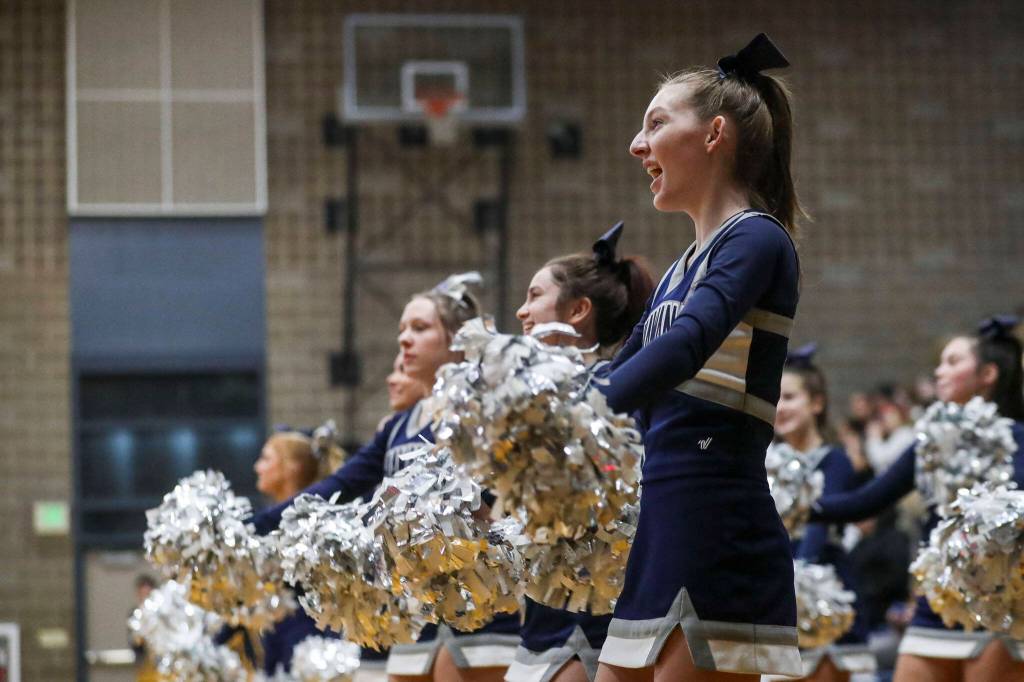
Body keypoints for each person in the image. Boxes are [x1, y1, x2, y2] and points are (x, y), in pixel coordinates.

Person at [593, 33, 805, 681]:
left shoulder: (757, 239)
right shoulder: (688, 263)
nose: (637, 144)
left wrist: (584, 408)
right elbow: (613, 370)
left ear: (714, 135)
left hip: (715, 521)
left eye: (656, 123)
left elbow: (687, 346)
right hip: (661, 520)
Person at [251, 274, 521, 682]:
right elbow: (335, 486)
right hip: (417, 609)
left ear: (456, 339)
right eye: (401, 331)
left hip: (477, 606)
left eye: (420, 328)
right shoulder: (398, 427)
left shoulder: (485, 408)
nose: (405, 340)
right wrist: (254, 525)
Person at [810, 316, 1024, 682]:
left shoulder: (1017, 437)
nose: (940, 372)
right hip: (936, 606)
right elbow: (865, 502)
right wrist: (794, 506)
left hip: (999, 609)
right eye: (940, 363)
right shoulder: (929, 441)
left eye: (953, 362)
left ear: (988, 374)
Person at [506, 224, 654, 682]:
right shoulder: (527, 398)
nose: (521, 310)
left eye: (535, 296)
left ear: (577, 310)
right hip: (542, 613)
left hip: (594, 614)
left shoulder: (615, 386)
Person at [773, 345, 874, 681]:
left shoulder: (835, 460)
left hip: (822, 585)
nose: (779, 407)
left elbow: (820, 525)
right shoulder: (764, 459)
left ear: (816, 403)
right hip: (775, 584)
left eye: (789, 397)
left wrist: (799, 575)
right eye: (774, 398)